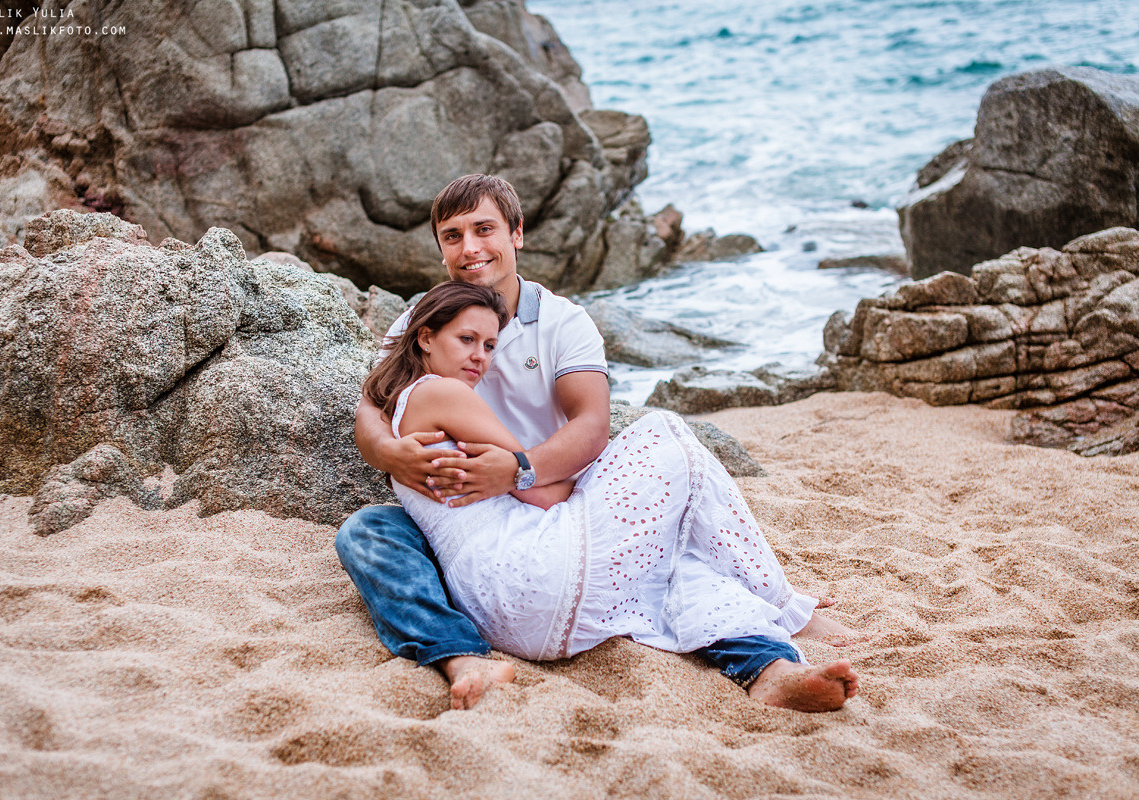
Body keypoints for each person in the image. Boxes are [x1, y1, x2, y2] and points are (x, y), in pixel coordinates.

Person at [337, 174, 859, 712]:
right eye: (452, 236)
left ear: (517, 233)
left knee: (672, 561)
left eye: (484, 229)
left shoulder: (563, 322)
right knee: (367, 532)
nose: (469, 248)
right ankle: (459, 655)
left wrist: (517, 469)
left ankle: (767, 664)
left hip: (552, 485)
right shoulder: (424, 318)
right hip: (486, 513)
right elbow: (375, 403)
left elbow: (591, 427)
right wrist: (388, 453)